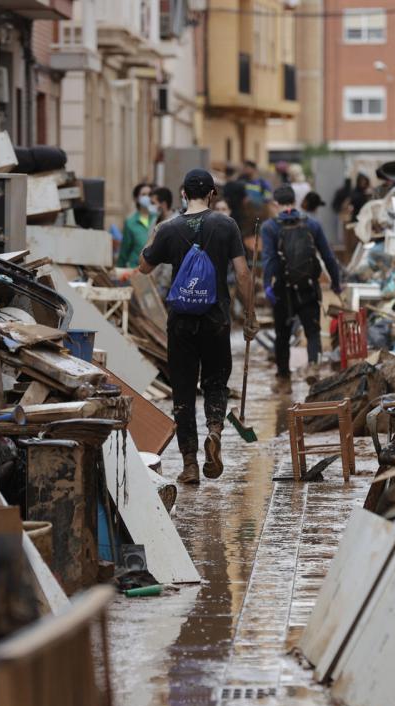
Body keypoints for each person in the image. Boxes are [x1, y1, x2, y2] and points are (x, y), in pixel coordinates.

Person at [139, 169, 257, 485]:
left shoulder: (169, 228)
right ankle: (215, 431)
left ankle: (190, 465)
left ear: (182, 194)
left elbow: (144, 266)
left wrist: (155, 234)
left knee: (183, 393)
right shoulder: (226, 225)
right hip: (216, 319)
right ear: (212, 194)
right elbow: (243, 275)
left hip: (181, 323)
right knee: (216, 383)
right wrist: (250, 314)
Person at [261, 185, 342, 382]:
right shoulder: (312, 225)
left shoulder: (269, 227)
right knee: (313, 332)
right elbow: (328, 257)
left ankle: (284, 379)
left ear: (275, 204)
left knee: (282, 335)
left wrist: (267, 286)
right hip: (308, 288)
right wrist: (336, 283)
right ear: (295, 202)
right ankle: (314, 366)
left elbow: (269, 260)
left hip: (282, 290)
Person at [117, 182, 155, 270]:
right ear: (136, 198)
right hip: (135, 269)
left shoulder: (156, 218)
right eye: (143, 194)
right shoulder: (130, 222)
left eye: (149, 194)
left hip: (153, 269)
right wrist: (119, 269)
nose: (147, 197)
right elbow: (125, 249)